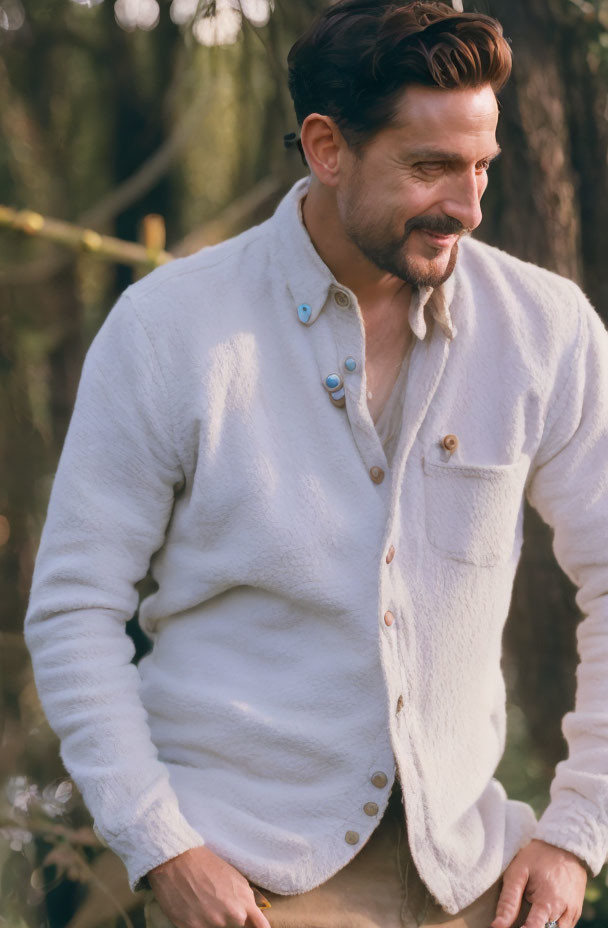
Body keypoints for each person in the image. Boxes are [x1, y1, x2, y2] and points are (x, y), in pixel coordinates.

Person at [23, 1, 608, 927]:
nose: (468, 205)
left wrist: (580, 827)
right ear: (327, 148)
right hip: (244, 879)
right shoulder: (169, 330)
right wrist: (163, 845)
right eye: (431, 167)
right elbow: (72, 608)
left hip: (475, 875)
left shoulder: (549, 330)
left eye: (482, 167)